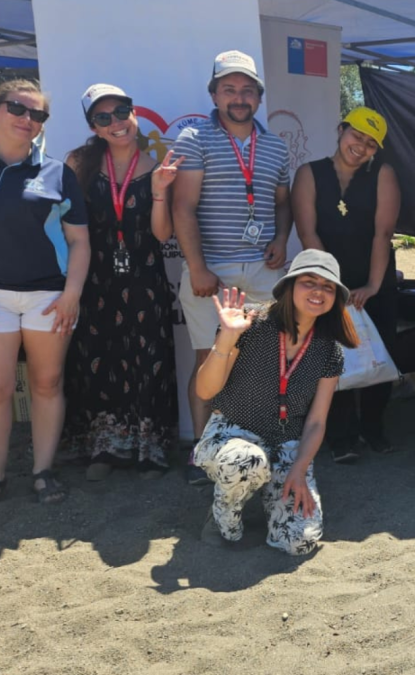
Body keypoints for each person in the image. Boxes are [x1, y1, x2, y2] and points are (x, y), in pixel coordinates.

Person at [172, 50, 292, 485]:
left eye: (247, 90)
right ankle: (202, 454)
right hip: (213, 271)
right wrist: (198, 267)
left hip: (262, 270)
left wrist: (280, 239)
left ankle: (257, 447)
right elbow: (182, 208)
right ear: (214, 94)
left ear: (259, 97)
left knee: (263, 361)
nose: (239, 98)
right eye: (229, 89)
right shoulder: (193, 139)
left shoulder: (275, 145)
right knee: (209, 361)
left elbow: (283, 204)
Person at [193, 250, 357, 555]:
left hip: (285, 441)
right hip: (232, 434)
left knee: (300, 542)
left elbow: (317, 421)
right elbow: (205, 391)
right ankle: (221, 517)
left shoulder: (329, 350)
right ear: (290, 286)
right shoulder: (250, 324)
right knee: (245, 462)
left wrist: (299, 468)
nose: (318, 291)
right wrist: (226, 338)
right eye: (309, 282)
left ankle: (273, 494)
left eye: (328, 286)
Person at [0, 80, 90, 512]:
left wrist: (71, 294)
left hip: (48, 296)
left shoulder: (57, 172)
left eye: (38, 115)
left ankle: (43, 472)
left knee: (47, 383)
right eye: (19, 109)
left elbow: (79, 241)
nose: (28, 120)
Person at [62, 84, 184, 480]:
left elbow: (163, 236)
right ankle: (105, 447)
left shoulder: (157, 168)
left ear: (135, 114)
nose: (116, 122)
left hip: (145, 279)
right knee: (99, 360)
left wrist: (161, 192)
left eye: (122, 111)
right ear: (94, 127)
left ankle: (150, 450)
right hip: (95, 281)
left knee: (148, 362)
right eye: (104, 117)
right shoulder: (78, 165)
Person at [293, 106, 400, 462]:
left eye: (371, 144)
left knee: (379, 355)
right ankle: (341, 436)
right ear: (341, 129)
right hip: (325, 282)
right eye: (357, 136)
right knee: (330, 357)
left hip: (374, 278)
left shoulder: (383, 174)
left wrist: (372, 285)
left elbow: (383, 233)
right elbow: (307, 231)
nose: (361, 146)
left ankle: (374, 427)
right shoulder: (309, 173)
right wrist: (330, 287)